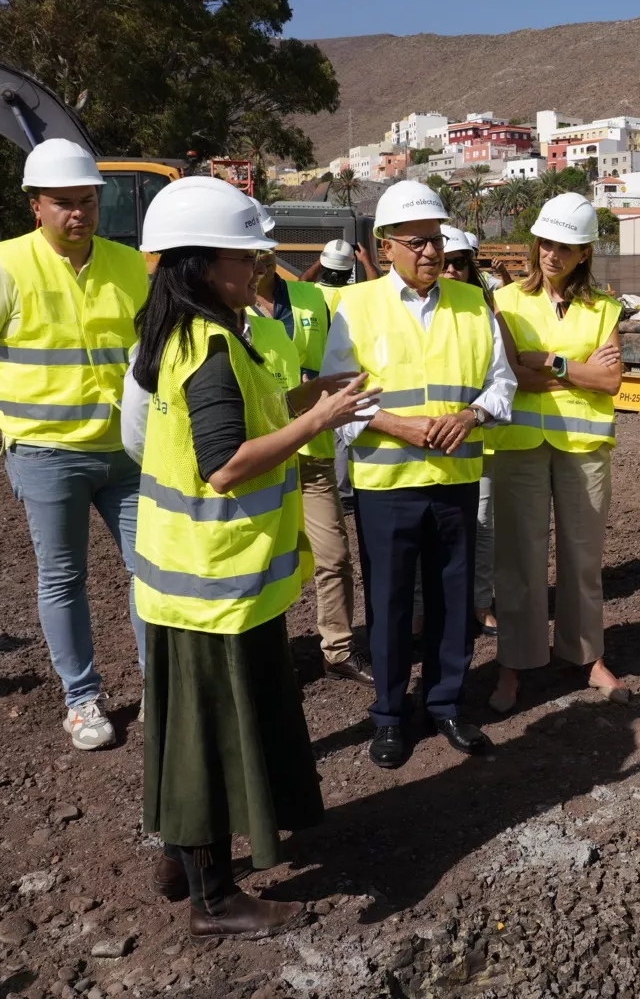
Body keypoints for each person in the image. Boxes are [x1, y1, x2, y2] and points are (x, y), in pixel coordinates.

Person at [128, 177, 373, 937]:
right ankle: (215, 899)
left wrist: (314, 397)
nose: (258, 267)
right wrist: (319, 423)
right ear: (199, 263)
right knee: (210, 736)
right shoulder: (206, 346)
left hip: (198, 581)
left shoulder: (197, 332)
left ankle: (181, 856)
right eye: (244, 256)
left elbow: (242, 420)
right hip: (213, 583)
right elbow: (226, 463)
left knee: (187, 730)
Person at [0, 139, 149, 751]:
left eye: (87, 201)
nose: (78, 214)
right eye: (63, 203)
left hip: (125, 454)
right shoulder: (3, 269)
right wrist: (10, 418)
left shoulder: (129, 266)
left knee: (152, 573)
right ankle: (82, 700)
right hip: (46, 454)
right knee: (63, 578)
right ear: (36, 206)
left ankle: (163, 687)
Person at [322, 181, 516, 769]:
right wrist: (395, 426)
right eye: (416, 242)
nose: (430, 252)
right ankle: (388, 716)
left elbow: (502, 384)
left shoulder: (473, 305)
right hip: (388, 486)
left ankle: (446, 704)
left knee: (453, 601)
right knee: (390, 607)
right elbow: (337, 396)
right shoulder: (355, 308)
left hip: (456, 480)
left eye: (435, 240)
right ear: (385, 248)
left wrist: (472, 413)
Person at [487, 193, 628, 713]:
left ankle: (586, 656)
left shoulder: (604, 308)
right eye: (545, 242)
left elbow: (611, 380)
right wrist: (577, 372)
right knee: (518, 560)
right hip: (520, 445)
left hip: (584, 447)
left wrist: (546, 363)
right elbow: (507, 374)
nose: (551, 253)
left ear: (583, 253)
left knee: (583, 558)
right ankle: (514, 664)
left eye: (564, 246)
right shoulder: (506, 302)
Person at [249, 241, 367, 684]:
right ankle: (270, 653)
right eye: (251, 250)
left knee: (334, 556)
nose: (260, 260)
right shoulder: (230, 306)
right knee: (263, 560)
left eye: (266, 250)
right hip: (263, 454)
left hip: (314, 450)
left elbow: (330, 361)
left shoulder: (309, 295)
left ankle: (337, 649)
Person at [439, 224, 498, 632]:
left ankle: (480, 604)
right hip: (427, 444)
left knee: (482, 532)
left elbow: (500, 377)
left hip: (479, 441)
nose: (451, 270)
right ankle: (427, 609)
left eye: (459, 263)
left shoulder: (483, 310)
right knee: (432, 535)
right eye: (444, 263)